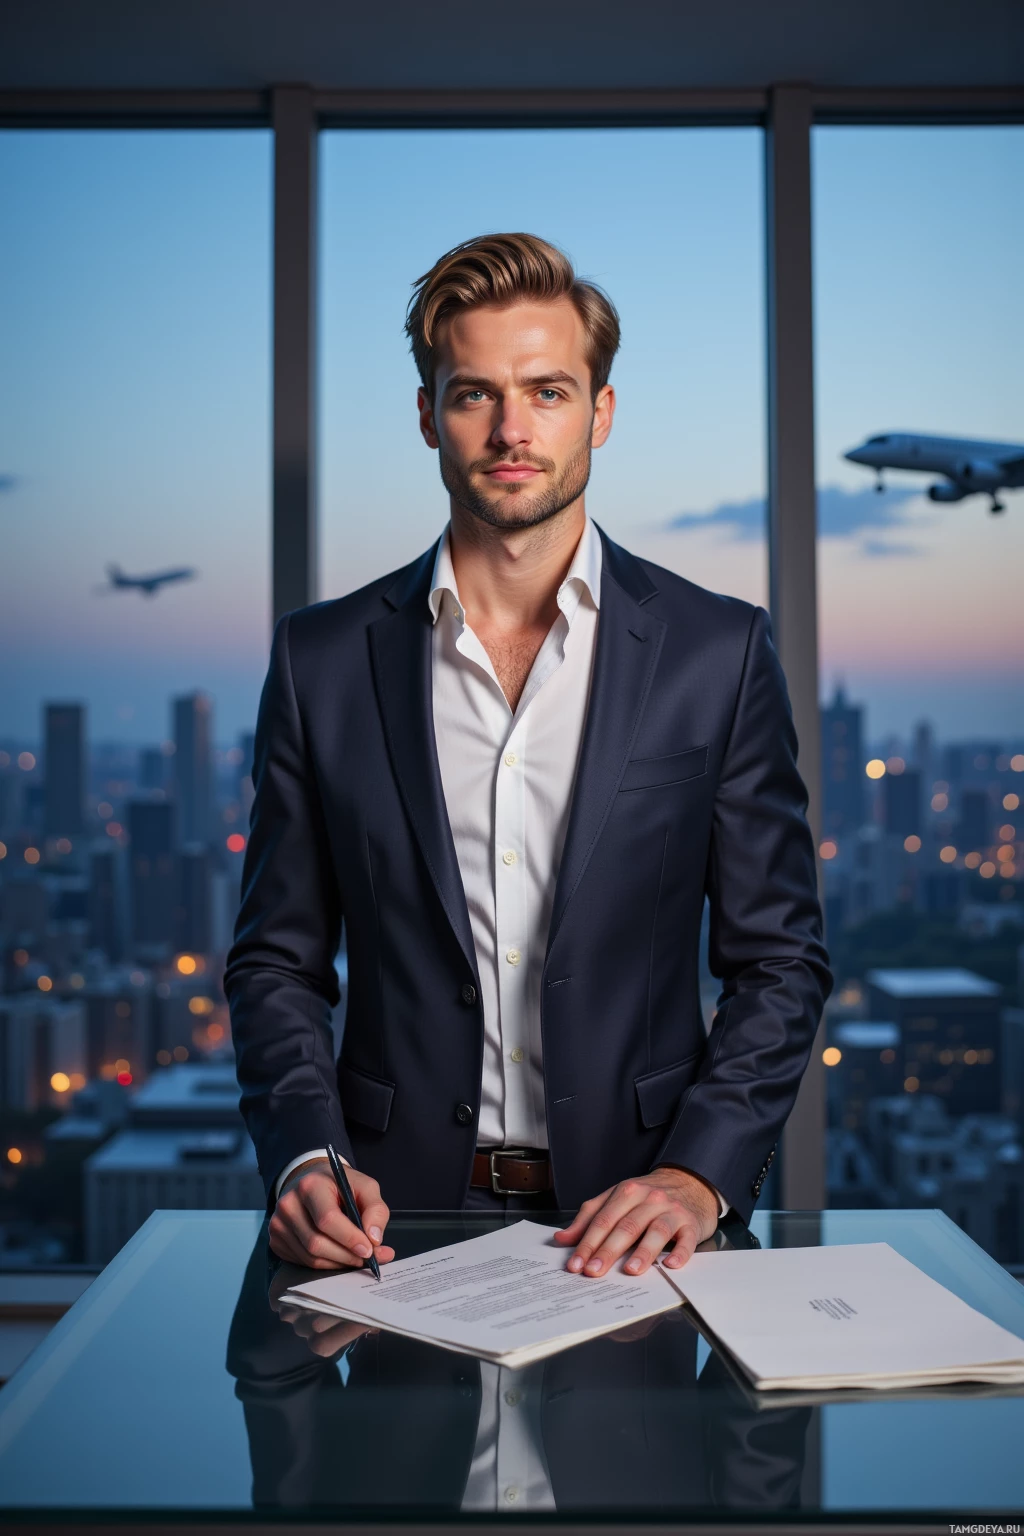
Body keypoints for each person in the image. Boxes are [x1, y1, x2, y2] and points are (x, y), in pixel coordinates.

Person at [224, 231, 831, 1279]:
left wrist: (701, 1171)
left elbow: (779, 958)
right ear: (427, 416)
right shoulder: (320, 661)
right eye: (474, 395)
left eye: (547, 391)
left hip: (640, 1223)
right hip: (384, 1226)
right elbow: (277, 958)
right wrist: (301, 1156)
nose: (512, 430)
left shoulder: (715, 652)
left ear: (600, 410)